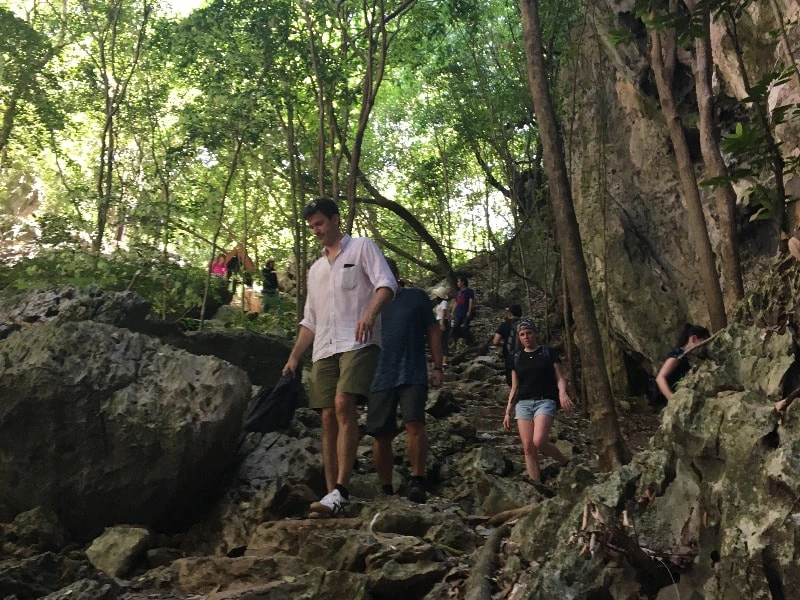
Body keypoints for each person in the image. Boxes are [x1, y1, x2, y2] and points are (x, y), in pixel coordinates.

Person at [282, 198, 397, 516]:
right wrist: (294, 357)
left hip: (358, 341)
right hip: (324, 347)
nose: (316, 230)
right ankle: (331, 496)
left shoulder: (362, 247)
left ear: (335, 220)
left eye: (320, 223)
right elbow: (310, 320)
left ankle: (342, 489)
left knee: (344, 402)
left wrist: (370, 313)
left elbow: (387, 284)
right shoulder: (316, 269)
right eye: (311, 226)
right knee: (327, 416)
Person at [368, 259, 444, 504]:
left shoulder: (416, 297)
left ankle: (417, 479)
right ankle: (385, 487)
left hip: (412, 371)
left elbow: (433, 330)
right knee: (381, 434)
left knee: (414, 424)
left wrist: (438, 366)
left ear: (394, 274)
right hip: (378, 375)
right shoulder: (369, 303)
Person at [503, 319, 572, 484]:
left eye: (529, 333)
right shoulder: (516, 358)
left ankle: (565, 463)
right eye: (522, 334)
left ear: (535, 334)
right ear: (519, 337)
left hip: (545, 400)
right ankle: (537, 484)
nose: (526, 337)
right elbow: (515, 387)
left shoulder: (548, 352)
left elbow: (560, 377)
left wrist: (562, 393)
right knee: (528, 447)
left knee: (539, 440)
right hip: (523, 403)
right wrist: (507, 412)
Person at [654, 323, 711, 401]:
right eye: (703, 344)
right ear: (693, 339)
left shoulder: (688, 357)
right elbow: (660, 378)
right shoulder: (678, 355)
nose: (703, 349)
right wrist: (672, 399)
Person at [491, 304, 523, 385]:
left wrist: (504, 344)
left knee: (511, 380)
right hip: (525, 354)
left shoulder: (505, 324)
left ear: (510, 314)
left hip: (510, 355)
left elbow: (495, 341)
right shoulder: (526, 324)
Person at [450, 276, 475, 348]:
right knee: (455, 327)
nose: (457, 283)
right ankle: (455, 342)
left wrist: (469, 311)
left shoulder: (469, 291)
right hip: (458, 313)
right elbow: (456, 302)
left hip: (465, 312)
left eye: (459, 282)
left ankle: (468, 342)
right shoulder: (458, 292)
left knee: (465, 327)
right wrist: (452, 312)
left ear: (463, 282)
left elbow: (471, 301)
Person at [432, 286, 450, 364]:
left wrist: (442, 323)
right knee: (438, 341)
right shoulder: (438, 304)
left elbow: (444, 313)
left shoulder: (444, 303)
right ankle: (439, 359)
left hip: (443, 321)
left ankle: (444, 360)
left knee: (443, 341)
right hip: (438, 321)